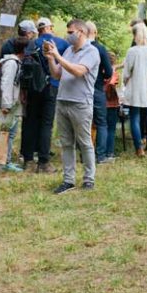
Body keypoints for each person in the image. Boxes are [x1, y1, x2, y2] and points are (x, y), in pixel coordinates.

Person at [43, 19, 99, 193]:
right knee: (66, 143)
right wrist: (51, 59)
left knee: (84, 142)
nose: (68, 35)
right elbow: (58, 74)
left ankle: (89, 179)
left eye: (70, 32)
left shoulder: (92, 52)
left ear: (81, 32)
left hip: (81, 103)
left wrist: (58, 56)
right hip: (63, 101)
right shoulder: (68, 50)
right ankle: (68, 180)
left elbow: (78, 71)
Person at [21, 17, 68, 174]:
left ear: (38, 30)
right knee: (46, 124)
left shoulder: (30, 43)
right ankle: (44, 162)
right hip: (51, 87)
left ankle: (28, 160)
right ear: (50, 28)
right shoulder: (61, 43)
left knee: (31, 122)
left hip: (33, 88)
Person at [123, 22, 147, 157]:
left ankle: (139, 148)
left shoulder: (132, 51)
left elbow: (126, 73)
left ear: (135, 35)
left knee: (135, 118)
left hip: (135, 88)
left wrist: (124, 82)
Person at [0, 37, 27, 173]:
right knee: (7, 132)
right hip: (9, 104)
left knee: (9, 132)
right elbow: (6, 83)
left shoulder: (13, 62)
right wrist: (6, 105)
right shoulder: (12, 63)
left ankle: (3, 161)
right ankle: (3, 162)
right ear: (24, 50)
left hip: (11, 102)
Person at [86, 21, 113, 164]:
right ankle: (100, 156)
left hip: (80, 91)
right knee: (101, 123)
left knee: (84, 123)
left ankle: (84, 155)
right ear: (95, 33)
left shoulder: (78, 48)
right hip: (96, 89)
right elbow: (109, 72)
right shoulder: (100, 48)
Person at [104, 51, 120, 161]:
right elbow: (111, 85)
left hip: (100, 103)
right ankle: (109, 152)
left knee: (101, 128)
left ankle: (100, 151)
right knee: (111, 129)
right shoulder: (113, 73)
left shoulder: (100, 71)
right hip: (112, 104)